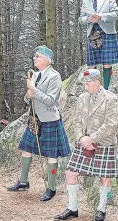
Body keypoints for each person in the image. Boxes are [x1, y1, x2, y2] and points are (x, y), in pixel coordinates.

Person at [54, 69, 118, 221]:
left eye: (88, 83)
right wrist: (81, 138)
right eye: (84, 84)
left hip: (103, 143)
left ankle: (102, 209)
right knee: (70, 172)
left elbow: (111, 125)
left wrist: (92, 139)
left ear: (97, 82)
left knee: (105, 177)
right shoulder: (82, 98)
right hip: (83, 143)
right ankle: (72, 208)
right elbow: (76, 121)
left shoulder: (110, 99)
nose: (85, 87)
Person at [7, 46, 71, 201]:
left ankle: (51, 188)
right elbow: (26, 99)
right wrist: (28, 95)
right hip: (34, 119)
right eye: (35, 56)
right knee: (25, 149)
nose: (34, 58)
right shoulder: (34, 75)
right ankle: (23, 181)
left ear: (47, 60)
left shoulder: (54, 76)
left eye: (38, 56)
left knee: (51, 155)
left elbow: (50, 100)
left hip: (49, 119)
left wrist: (34, 90)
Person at [79, 0, 118, 90]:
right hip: (92, 34)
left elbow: (116, 14)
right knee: (92, 64)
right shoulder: (86, 1)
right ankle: (93, 89)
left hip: (106, 33)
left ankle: (106, 89)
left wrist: (101, 17)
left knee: (107, 63)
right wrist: (88, 19)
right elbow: (81, 19)